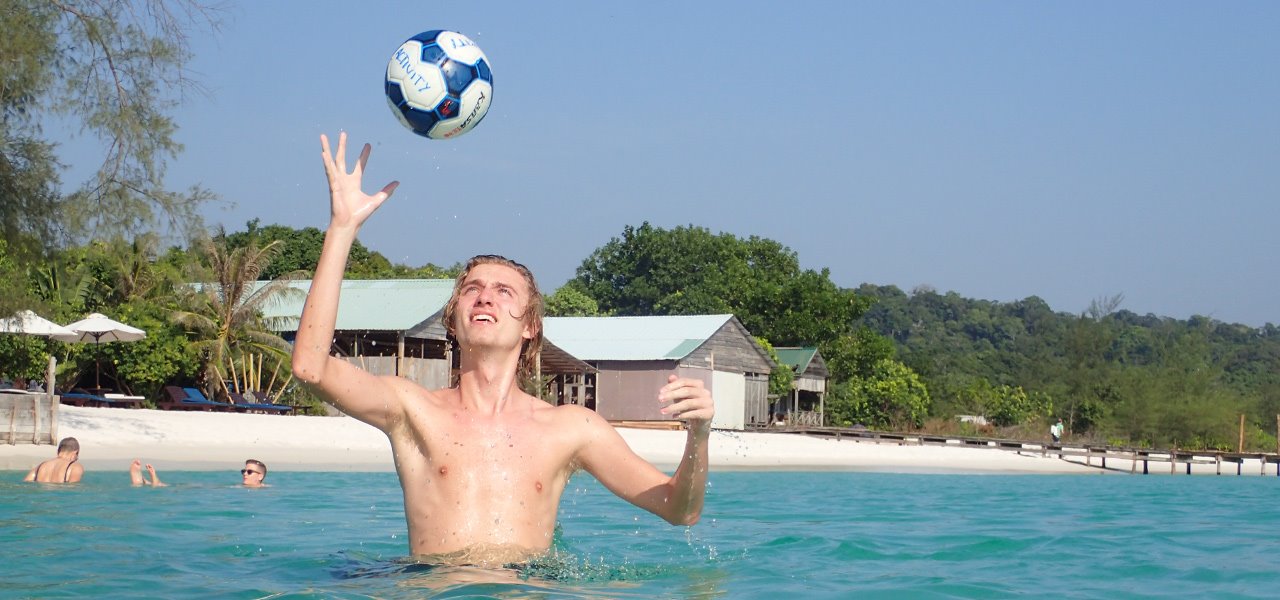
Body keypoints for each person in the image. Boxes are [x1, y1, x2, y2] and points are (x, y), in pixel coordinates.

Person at [292, 132, 714, 566]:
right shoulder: (410, 409)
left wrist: (699, 435)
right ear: (453, 320)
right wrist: (342, 230)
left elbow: (680, 510)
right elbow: (309, 367)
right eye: (472, 289)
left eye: (503, 291)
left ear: (530, 325)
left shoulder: (571, 428)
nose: (485, 297)